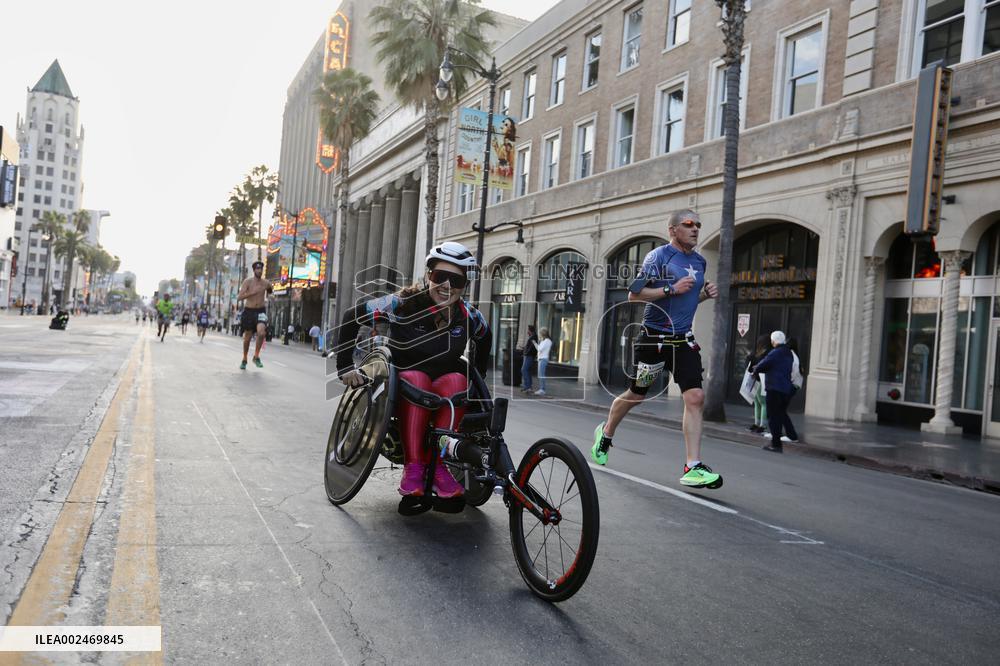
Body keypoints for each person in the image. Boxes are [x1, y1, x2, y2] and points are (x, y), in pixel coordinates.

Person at [336, 241, 491, 501]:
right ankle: (414, 467)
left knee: (457, 380)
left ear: (464, 286)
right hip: (399, 390)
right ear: (428, 276)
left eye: (456, 281)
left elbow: (485, 338)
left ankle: (439, 466)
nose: (447, 286)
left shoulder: (469, 316)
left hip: (442, 392)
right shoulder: (400, 304)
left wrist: (480, 375)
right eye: (440, 277)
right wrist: (344, 367)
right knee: (418, 379)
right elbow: (352, 317)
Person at [591, 209, 722, 489]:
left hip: (682, 341)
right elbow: (634, 293)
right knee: (637, 395)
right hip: (654, 339)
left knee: (696, 397)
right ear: (673, 230)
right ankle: (606, 433)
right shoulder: (658, 257)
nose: (696, 229)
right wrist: (671, 289)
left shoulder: (699, 261)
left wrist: (702, 295)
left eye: (698, 225)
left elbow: (685, 303)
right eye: (689, 224)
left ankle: (693, 466)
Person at [753, 330, 800, 453]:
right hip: (785, 388)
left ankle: (776, 444)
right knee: (779, 415)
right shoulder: (788, 353)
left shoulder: (775, 352)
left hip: (774, 388)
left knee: (773, 417)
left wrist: (756, 369)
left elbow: (764, 364)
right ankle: (781, 440)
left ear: (774, 341)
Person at [237, 261, 273, 369]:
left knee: (261, 333)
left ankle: (256, 356)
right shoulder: (247, 282)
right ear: (254, 270)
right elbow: (239, 297)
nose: (259, 271)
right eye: (257, 269)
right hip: (249, 311)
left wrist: (271, 294)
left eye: (261, 269)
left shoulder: (266, 283)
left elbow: (270, 292)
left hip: (261, 311)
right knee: (247, 337)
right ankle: (244, 358)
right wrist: (253, 292)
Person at [746, 335, 770, 434]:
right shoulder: (768, 353)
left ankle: (756, 423)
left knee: (757, 403)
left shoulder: (755, 352)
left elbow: (748, 361)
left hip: (753, 379)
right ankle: (762, 425)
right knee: (763, 403)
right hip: (762, 380)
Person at [520, 325, 538, 393]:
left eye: (528, 330)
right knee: (527, 370)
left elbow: (532, 347)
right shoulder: (533, 336)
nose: (527, 332)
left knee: (524, 370)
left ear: (530, 331)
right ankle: (528, 386)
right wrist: (524, 349)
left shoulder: (533, 337)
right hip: (529, 355)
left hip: (529, 356)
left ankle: (527, 386)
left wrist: (526, 353)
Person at [535, 328, 552, 395]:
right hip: (541, 359)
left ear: (543, 334)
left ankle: (542, 389)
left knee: (541, 375)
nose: (539, 335)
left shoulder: (547, 341)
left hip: (543, 359)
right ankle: (541, 389)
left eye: (540, 334)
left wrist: (535, 343)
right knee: (540, 375)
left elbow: (539, 349)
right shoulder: (544, 341)